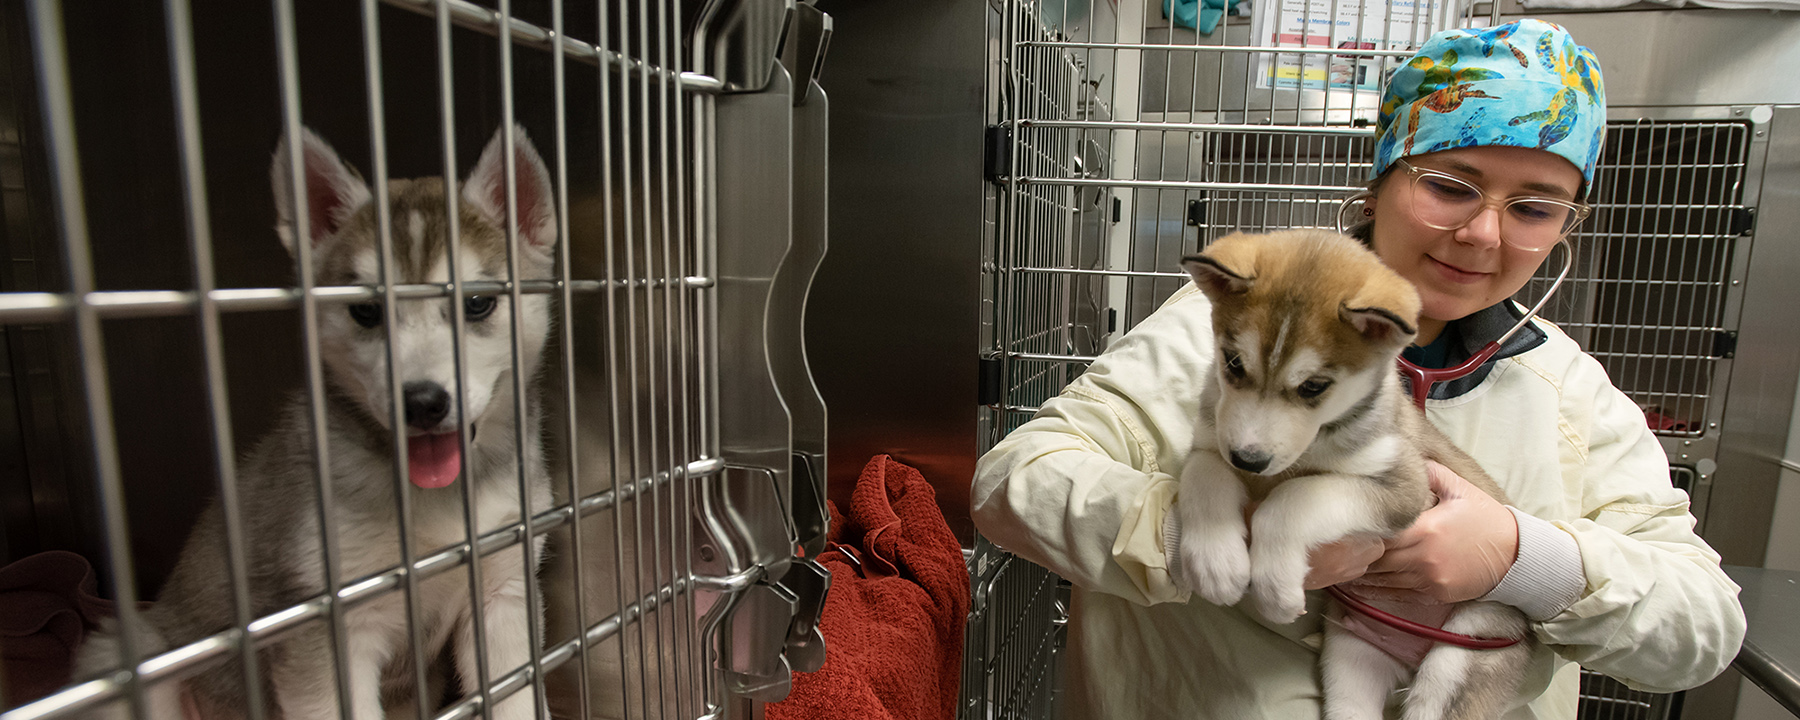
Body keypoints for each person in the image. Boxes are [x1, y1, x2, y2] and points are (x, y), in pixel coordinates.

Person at [970, 18, 1745, 719]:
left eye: (1534, 208)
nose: (1481, 234)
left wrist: (1522, 560)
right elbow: (1013, 485)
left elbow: (1702, 628)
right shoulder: (1222, 332)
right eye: (1449, 185)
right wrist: (1196, 532)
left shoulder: (1572, 394)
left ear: (1564, 228)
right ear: (1380, 184)